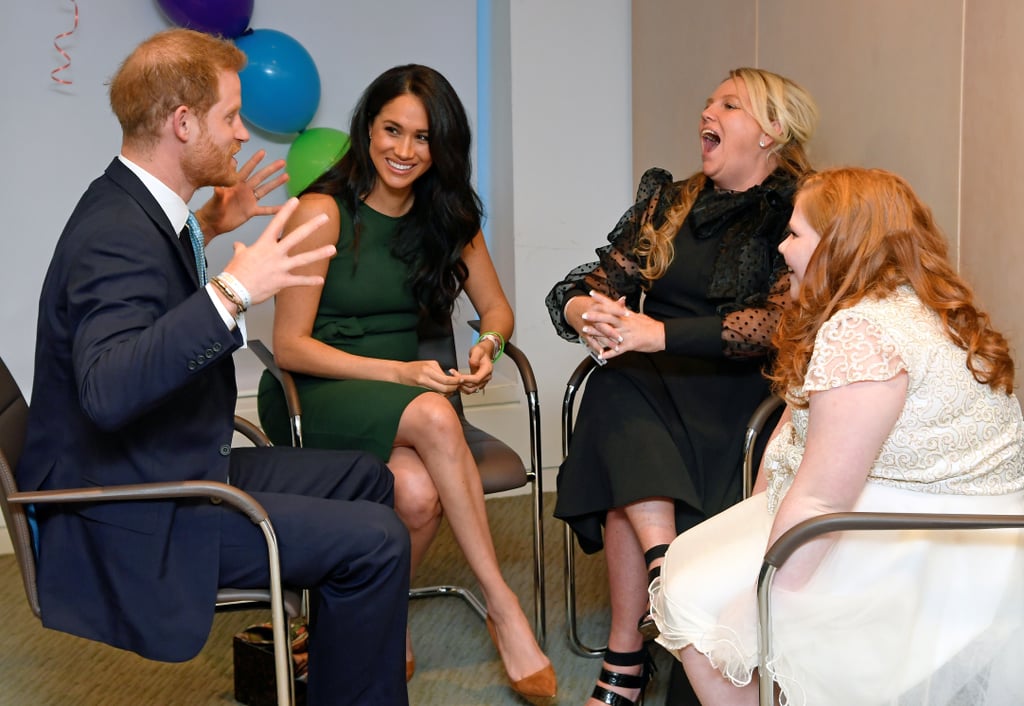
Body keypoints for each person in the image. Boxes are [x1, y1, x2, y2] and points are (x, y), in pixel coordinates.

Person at [17, 29, 411, 706]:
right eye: (229, 116)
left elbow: (147, 292)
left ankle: (333, 681)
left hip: (165, 461)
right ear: (182, 122)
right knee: (376, 539)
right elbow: (107, 389)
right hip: (126, 509)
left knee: (368, 478)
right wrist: (231, 291)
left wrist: (205, 227)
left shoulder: (136, 207)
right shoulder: (116, 234)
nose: (239, 133)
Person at [649, 166, 1024, 705]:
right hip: (968, 525)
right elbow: (801, 422)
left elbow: (823, 498)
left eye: (796, 233)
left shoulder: (862, 331)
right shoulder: (919, 305)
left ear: (840, 246)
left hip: (930, 545)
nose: (782, 247)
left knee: (700, 604)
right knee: (701, 566)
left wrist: (757, 612)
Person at [255, 64, 555, 697]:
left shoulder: (447, 216)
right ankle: (504, 607)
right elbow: (290, 347)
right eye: (392, 130)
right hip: (314, 393)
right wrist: (398, 373)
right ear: (368, 128)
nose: (404, 150)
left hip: (398, 395)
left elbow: (497, 311)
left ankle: (378, 621)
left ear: (441, 147)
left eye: (423, 138)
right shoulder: (322, 212)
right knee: (433, 414)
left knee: (416, 496)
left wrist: (489, 346)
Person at [545, 68, 819, 705]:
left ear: (773, 132)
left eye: (729, 103)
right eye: (708, 101)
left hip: (740, 405)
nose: (708, 111)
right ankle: (666, 576)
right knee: (617, 386)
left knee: (622, 431)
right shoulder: (671, 200)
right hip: (647, 385)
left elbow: (781, 325)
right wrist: (589, 313)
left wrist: (653, 336)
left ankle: (625, 665)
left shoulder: (796, 209)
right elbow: (589, 283)